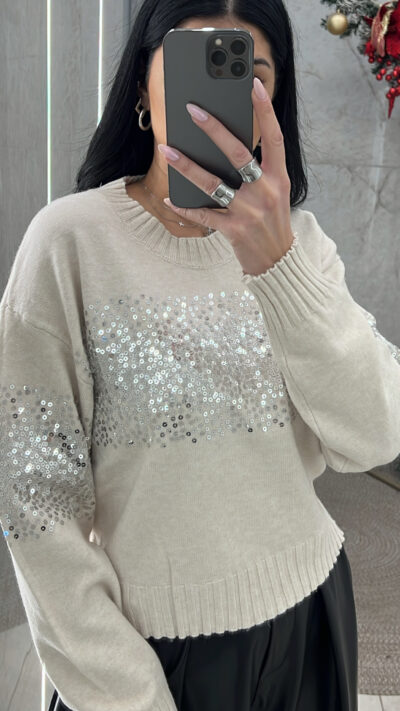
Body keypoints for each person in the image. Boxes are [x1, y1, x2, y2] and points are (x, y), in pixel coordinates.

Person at [2, 1, 400, 710]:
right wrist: (126, 693)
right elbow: (35, 502)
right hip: (147, 654)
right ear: (141, 86)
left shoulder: (299, 244)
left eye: (251, 74)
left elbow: (375, 435)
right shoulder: (68, 244)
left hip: (310, 619)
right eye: (194, 64)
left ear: (275, 103)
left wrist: (278, 267)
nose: (218, 98)